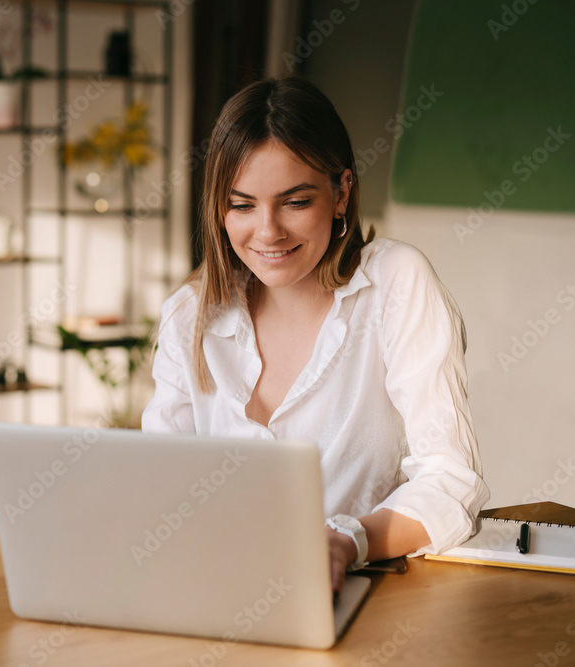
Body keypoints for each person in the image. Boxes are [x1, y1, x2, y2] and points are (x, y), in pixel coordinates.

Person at [141, 76, 489, 594]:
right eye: (242, 205)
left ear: (341, 191)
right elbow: (159, 487)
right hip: (212, 591)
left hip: (364, 594)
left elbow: (451, 483)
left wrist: (347, 541)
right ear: (219, 209)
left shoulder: (396, 283)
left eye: (295, 202)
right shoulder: (190, 315)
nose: (268, 231)